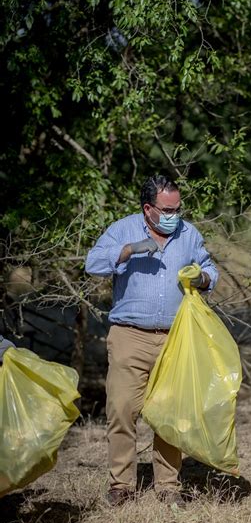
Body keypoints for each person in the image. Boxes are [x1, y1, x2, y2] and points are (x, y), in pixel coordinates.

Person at [86, 174, 218, 506]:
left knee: (170, 415)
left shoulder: (188, 234)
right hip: (129, 335)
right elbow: (92, 263)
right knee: (121, 409)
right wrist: (128, 251)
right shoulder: (122, 229)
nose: (175, 214)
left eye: (178, 208)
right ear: (148, 208)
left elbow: (209, 269)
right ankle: (121, 485)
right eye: (167, 209)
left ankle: (169, 486)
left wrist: (201, 277)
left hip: (175, 338)